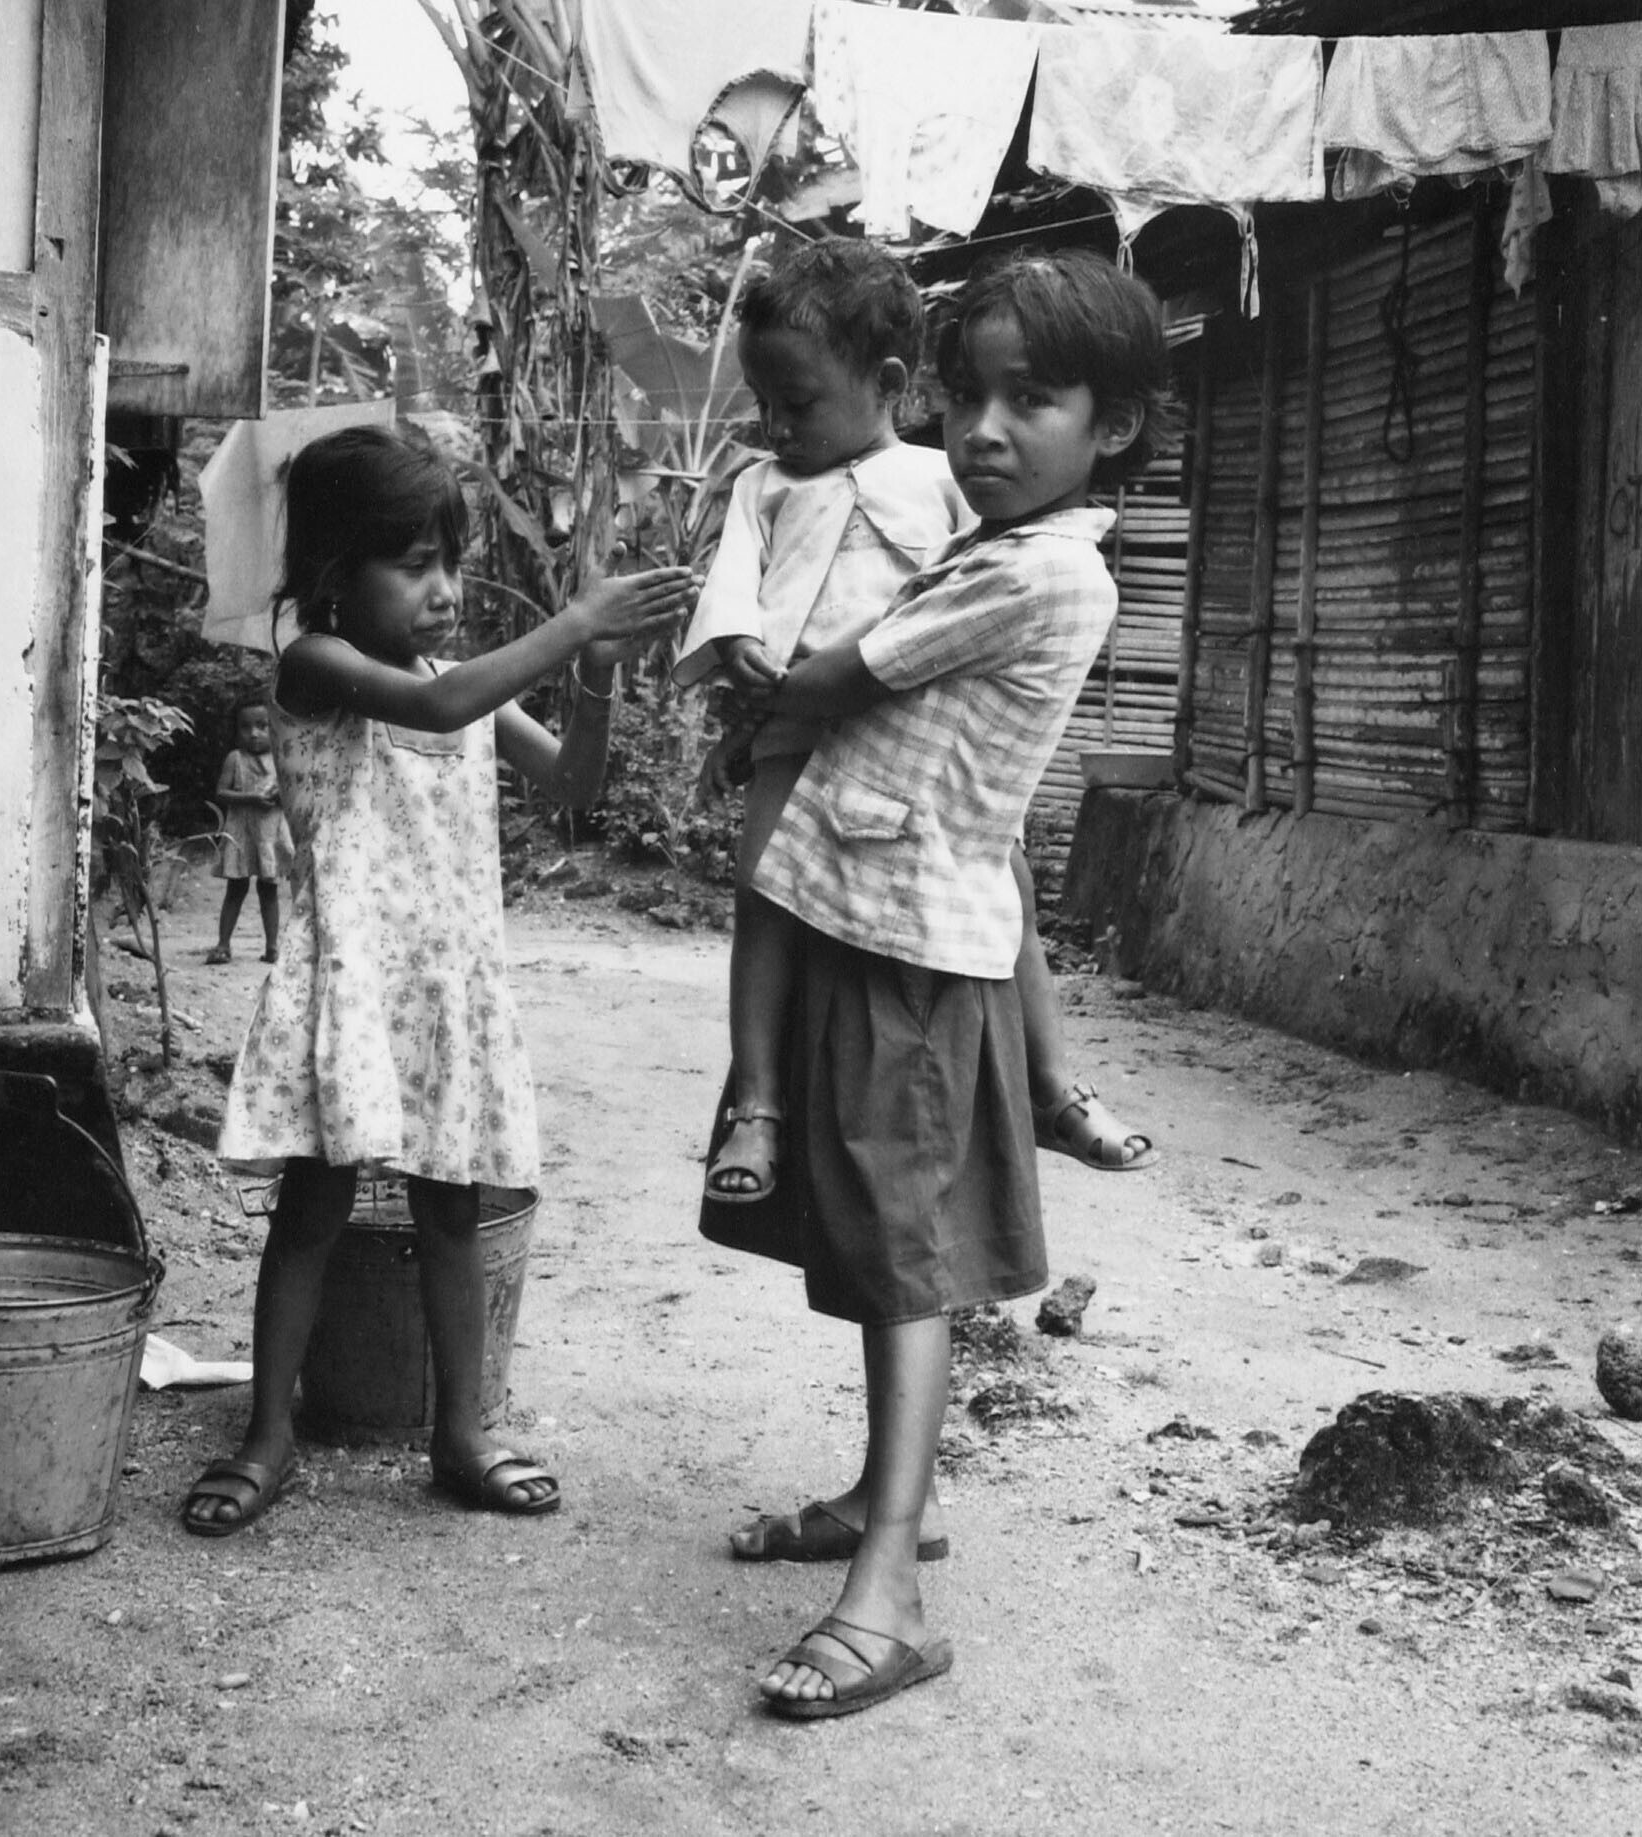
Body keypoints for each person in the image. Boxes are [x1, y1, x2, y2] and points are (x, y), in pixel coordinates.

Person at [707, 247, 1176, 1716]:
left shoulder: (1039, 571)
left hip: (913, 951)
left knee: (903, 1262)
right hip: (868, 920)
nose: (980, 429)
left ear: (1112, 428)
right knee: (872, 1234)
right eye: (965, 395)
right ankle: (877, 1501)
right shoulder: (989, 544)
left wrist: (748, 697)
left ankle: (889, 1594)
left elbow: (832, 679)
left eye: (1028, 401)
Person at [183, 423, 695, 1536]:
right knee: (312, 1207)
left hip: (447, 985)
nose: (445, 590)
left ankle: (461, 1433)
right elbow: (437, 707)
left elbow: (572, 785)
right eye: (414, 565)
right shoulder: (318, 665)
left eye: (451, 564)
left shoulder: (449, 683)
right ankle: (267, 1435)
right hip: (354, 981)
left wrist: (596, 673)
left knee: (452, 1206)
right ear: (334, 572)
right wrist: (573, 622)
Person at [679, 238, 1152, 1215]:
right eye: (763, 405)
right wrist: (739, 666)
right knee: (761, 898)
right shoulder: (760, 487)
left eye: (796, 403)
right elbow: (730, 596)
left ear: (889, 385)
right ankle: (757, 1103)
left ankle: (1052, 1083)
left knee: (1009, 893)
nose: (775, 427)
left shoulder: (947, 477)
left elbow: (963, 595)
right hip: (793, 720)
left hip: (910, 741)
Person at [206, 696, 291, 965]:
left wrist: (279, 795)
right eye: (245, 727)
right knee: (236, 888)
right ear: (236, 730)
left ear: (274, 727)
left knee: (269, 890)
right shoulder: (235, 759)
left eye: (262, 726)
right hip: (242, 834)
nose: (254, 733)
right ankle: (223, 944)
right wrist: (251, 798)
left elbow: (293, 792)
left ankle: (272, 947)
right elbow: (221, 792)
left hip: (269, 834)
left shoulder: (281, 758)